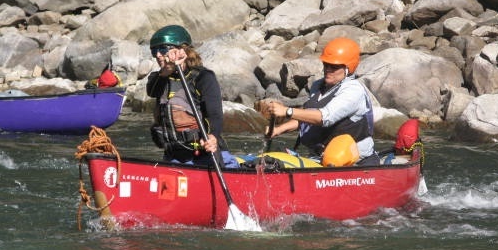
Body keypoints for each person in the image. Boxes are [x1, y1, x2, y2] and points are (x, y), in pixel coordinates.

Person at [266, 37, 379, 166]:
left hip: (356, 162)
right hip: (322, 158)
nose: (328, 69)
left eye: (334, 66)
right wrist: (279, 129)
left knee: (332, 158)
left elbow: (325, 117)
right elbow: (307, 116)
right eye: (326, 64)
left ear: (348, 68)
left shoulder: (353, 90)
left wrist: (287, 111)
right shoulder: (318, 86)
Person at [145, 24, 238, 168]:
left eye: (163, 49)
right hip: (174, 156)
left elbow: (215, 114)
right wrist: (167, 71)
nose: (158, 55)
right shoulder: (159, 79)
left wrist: (213, 136)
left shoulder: (203, 77)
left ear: (182, 50)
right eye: (154, 51)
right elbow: (151, 91)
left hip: (204, 155)